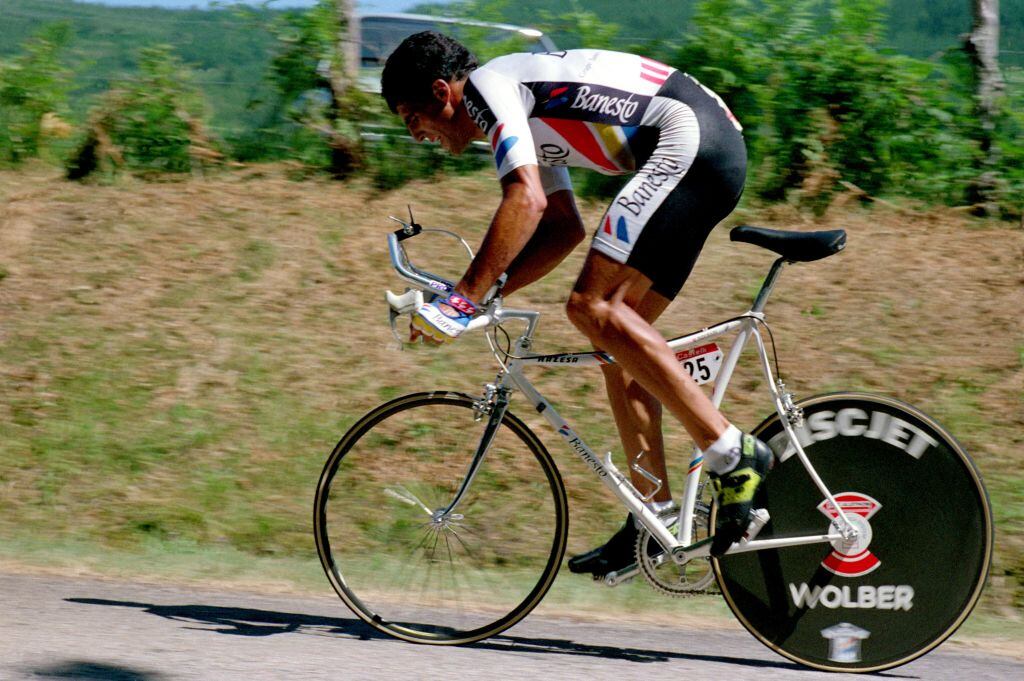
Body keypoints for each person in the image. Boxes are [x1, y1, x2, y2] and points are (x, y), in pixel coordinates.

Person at [380, 32, 772, 573]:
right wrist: (485, 294)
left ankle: (733, 453)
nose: (416, 135)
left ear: (442, 92)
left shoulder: (488, 90)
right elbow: (560, 227)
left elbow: (526, 198)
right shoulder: (518, 106)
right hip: (706, 144)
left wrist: (461, 302)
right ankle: (652, 519)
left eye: (410, 117)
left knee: (593, 307)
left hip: (688, 138)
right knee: (620, 343)